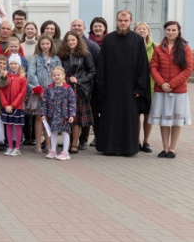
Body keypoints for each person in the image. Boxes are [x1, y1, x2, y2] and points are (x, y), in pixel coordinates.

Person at [95, 10, 150, 156]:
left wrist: (140, 87)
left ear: (130, 21)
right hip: (111, 87)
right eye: (120, 20)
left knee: (129, 118)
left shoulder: (137, 40)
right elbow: (102, 64)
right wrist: (101, 85)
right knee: (111, 117)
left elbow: (142, 64)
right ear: (116, 21)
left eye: (125, 21)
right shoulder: (108, 39)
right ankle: (109, 148)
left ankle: (128, 148)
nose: (123, 23)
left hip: (130, 88)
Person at [148, 21, 193, 159]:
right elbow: (153, 67)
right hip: (162, 90)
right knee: (164, 120)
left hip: (178, 91)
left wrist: (172, 84)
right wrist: (161, 83)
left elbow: (188, 68)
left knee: (176, 120)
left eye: (174, 30)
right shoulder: (158, 48)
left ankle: (173, 148)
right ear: (165, 31)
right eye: (168, 29)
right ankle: (165, 147)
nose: (171, 32)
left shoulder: (185, 48)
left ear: (178, 31)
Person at [58, 31, 96, 154]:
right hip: (64, 88)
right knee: (65, 117)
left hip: (79, 89)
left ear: (78, 41)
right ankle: (66, 142)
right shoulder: (62, 55)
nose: (70, 42)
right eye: (68, 40)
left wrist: (79, 80)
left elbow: (92, 72)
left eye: (73, 40)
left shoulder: (86, 54)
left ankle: (74, 144)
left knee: (75, 119)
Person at [27, 35, 60, 153]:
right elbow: (31, 75)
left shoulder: (56, 59)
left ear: (51, 44)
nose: (45, 46)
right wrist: (39, 90)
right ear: (39, 45)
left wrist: (53, 89)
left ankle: (49, 144)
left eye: (47, 44)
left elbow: (59, 74)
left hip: (51, 92)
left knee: (49, 118)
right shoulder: (35, 58)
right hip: (38, 92)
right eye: (42, 44)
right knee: (38, 118)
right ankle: (38, 144)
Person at [42, 66, 77, 160]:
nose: (56, 77)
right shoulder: (49, 88)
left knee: (65, 132)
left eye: (58, 75)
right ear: (51, 77)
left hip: (64, 115)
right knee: (53, 132)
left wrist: (72, 115)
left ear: (63, 76)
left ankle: (65, 151)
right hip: (52, 115)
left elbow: (72, 102)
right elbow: (44, 102)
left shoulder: (68, 88)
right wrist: (43, 114)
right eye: (54, 75)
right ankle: (53, 150)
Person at [133, 22, 156, 153]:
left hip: (151, 86)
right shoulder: (131, 46)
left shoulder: (155, 47)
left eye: (144, 28)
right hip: (135, 86)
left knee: (148, 115)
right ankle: (135, 140)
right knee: (135, 115)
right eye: (138, 28)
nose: (141, 30)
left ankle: (146, 141)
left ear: (148, 31)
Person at [0, 55, 27, 156]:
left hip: (17, 107)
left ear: (19, 65)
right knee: (8, 126)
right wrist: (5, 104)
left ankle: (17, 148)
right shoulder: (5, 76)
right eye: (11, 63)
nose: (13, 65)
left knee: (17, 126)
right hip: (6, 106)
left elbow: (22, 93)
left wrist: (13, 105)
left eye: (15, 63)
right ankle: (10, 146)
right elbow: (1, 90)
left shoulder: (22, 77)